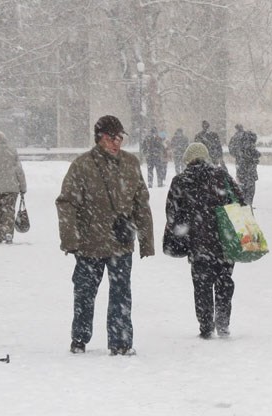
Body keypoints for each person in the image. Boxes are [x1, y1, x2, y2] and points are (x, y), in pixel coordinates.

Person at [56, 115, 154, 356]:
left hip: (121, 243)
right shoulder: (82, 165)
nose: (116, 142)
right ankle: (79, 339)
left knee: (121, 294)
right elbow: (66, 203)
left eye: (120, 137)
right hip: (89, 244)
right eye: (112, 137)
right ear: (99, 138)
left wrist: (146, 241)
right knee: (84, 294)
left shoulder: (130, 164)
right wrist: (70, 239)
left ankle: (121, 342)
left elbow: (141, 203)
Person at [163, 142, 245, 339]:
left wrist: (184, 230)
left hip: (198, 244)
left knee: (202, 285)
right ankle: (223, 323)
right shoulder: (222, 176)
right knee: (224, 282)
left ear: (188, 160)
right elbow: (240, 201)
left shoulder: (181, 181)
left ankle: (206, 326)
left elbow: (172, 213)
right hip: (224, 242)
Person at [229, 124, 261, 206]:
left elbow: (231, 150)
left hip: (241, 170)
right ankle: (248, 205)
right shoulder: (249, 138)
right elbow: (255, 153)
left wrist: (238, 156)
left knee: (242, 190)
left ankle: (244, 206)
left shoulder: (236, 138)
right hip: (250, 171)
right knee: (250, 191)